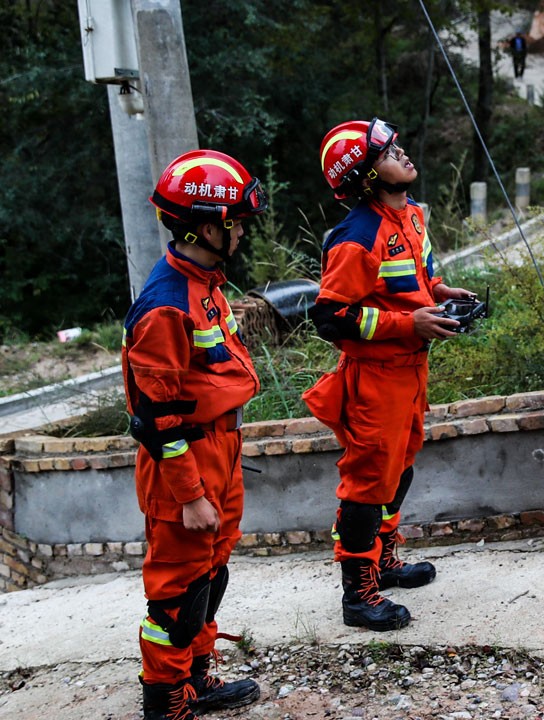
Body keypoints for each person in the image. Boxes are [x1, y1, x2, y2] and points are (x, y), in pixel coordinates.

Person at [305, 117, 475, 631]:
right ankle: (358, 595)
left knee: (399, 472)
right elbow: (329, 317)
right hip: (375, 379)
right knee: (366, 484)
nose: (400, 154)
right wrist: (410, 322)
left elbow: (415, 276)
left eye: (396, 144)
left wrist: (438, 294)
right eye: (386, 151)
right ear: (365, 177)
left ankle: (382, 561)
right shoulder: (356, 237)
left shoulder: (412, 216)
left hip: (410, 371)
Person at [123, 149, 268, 719]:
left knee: (212, 574)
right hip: (186, 463)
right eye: (236, 225)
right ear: (208, 227)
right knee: (176, 595)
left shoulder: (206, 283)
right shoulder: (164, 307)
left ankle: (195, 678)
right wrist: (189, 495)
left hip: (221, 453)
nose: (241, 236)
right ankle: (164, 701)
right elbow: (157, 420)